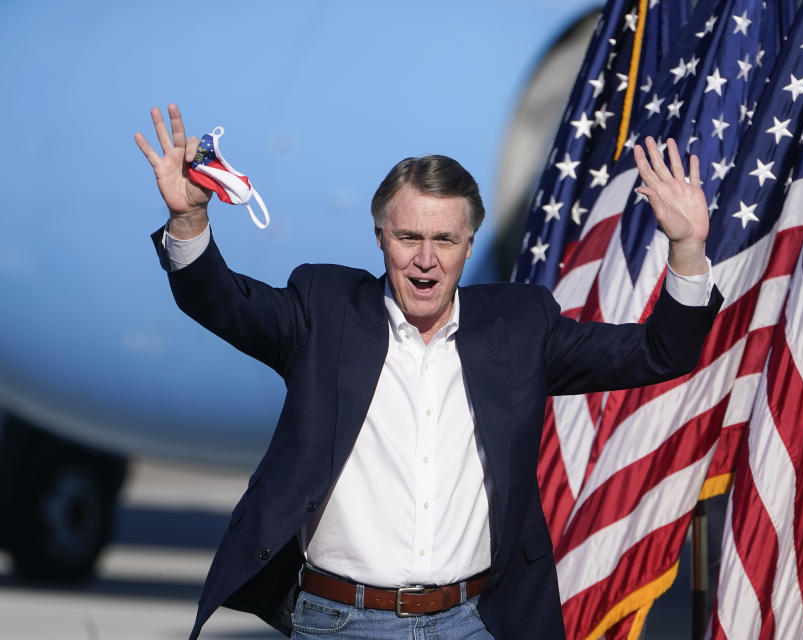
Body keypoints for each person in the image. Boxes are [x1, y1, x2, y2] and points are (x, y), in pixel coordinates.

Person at [135, 104, 722, 640]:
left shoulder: (518, 328)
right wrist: (188, 221)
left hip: (477, 621)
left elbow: (659, 352)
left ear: (468, 247)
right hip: (342, 621)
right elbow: (223, 302)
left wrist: (688, 250)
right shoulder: (325, 310)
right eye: (409, 237)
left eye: (444, 239)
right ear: (380, 240)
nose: (425, 258)